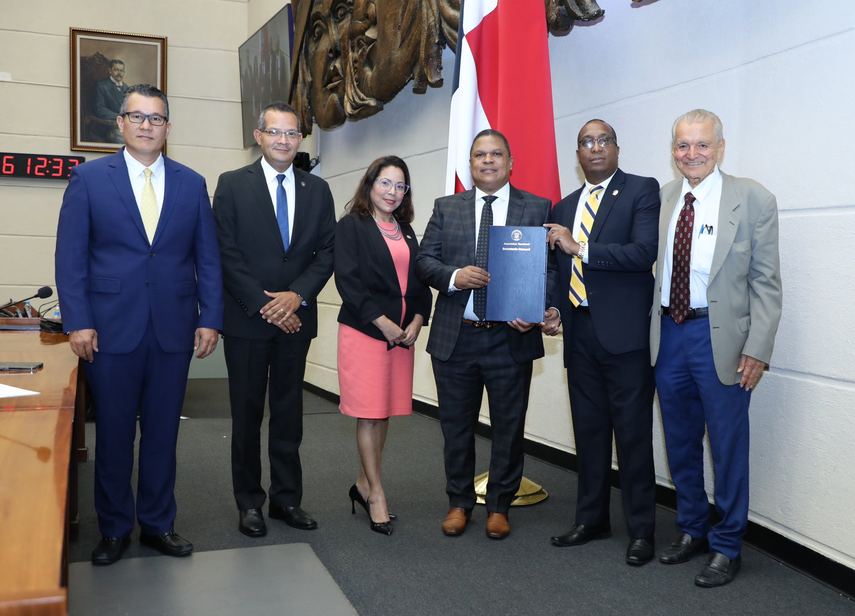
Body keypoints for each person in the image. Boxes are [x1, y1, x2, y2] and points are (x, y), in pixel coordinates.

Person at [55, 84, 224, 565]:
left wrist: (211, 317)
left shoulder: (192, 183)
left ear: (168, 127)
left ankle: (157, 523)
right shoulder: (88, 179)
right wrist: (78, 321)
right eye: (138, 117)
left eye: (156, 118)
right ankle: (113, 528)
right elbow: (71, 258)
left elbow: (208, 258)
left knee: (162, 432)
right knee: (112, 433)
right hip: (109, 329)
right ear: (120, 123)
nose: (147, 126)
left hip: (174, 327)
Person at [650, 109, 782, 587]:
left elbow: (766, 283)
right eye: (683, 145)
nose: (692, 154)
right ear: (673, 151)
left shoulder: (753, 199)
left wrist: (758, 348)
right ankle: (692, 528)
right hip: (669, 334)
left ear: (720, 148)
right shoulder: (663, 199)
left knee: (727, 445)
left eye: (702, 144)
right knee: (680, 441)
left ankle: (727, 544)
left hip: (721, 339)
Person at [417, 129, 558, 540]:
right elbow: (425, 261)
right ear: (471, 164)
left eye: (497, 154)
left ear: (510, 163)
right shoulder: (447, 207)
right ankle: (459, 502)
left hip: (510, 339)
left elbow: (550, 270)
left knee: (509, 429)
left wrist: (536, 310)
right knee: (455, 428)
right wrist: (455, 277)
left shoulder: (537, 207)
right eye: (480, 154)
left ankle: (499, 505)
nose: (488, 160)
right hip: (457, 337)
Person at [213, 101, 336, 538]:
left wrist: (296, 296)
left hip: (297, 318)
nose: (283, 140)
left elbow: (328, 252)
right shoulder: (231, 184)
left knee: (289, 413)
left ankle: (287, 499)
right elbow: (224, 252)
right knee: (247, 415)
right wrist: (267, 305)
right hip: (248, 319)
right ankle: (249, 502)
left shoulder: (317, 189)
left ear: (300, 139)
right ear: (259, 136)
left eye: (291, 133)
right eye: (275, 132)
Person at [544, 120, 660, 565]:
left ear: (616, 148)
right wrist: (555, 309)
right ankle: (591, 519)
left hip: (625, 337)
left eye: (603, 141)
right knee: (589, 433)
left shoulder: (640, 190)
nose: (595, 148)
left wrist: (581, 248)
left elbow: (643, 253)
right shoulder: (564, 205)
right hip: (579, 334)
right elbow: (560, 273)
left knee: (632, 437)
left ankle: (641, 530)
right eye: (586, 143)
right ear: (577, 154)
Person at [334, 156, 432, 536]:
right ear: (370, 184)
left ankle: (363, 483)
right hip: (366, 332)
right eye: (386, 183)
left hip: (402, 337)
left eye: (400, 185)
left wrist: (418, 319)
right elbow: (348, 281)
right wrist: (383, 323)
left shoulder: (405, 230)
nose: (393, 192)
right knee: (369, 413)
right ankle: (376, 494)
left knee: (384, 411)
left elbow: (419, 282)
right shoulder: (352, 226)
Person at [92, 59, 128, 143]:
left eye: (121, 70)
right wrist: (119, 117)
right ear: (110, 71)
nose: (119, 73)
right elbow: (99, 109)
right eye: (116, 70)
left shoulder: (127, 88)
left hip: (126, 126)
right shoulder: (101, 86)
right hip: (109, 126)